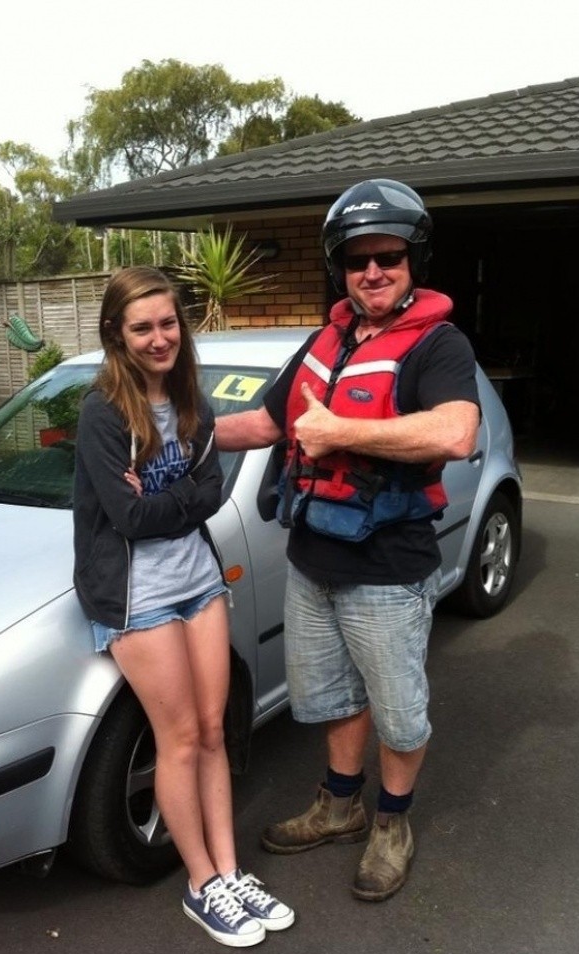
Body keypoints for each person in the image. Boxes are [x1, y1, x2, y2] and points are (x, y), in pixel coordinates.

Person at [214, 179, 480, 902]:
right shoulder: (325, 339)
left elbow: (457, 430)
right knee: (331, 697)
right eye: (358, 260)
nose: (373, 271)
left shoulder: (438, 343)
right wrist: (183, 432)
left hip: (388, 568)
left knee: (399, 708)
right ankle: (340, 803)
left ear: (411, 259)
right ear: (341, 267)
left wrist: (341, 432)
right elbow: (268, 423)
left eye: (388, 256)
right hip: (313, 560)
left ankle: (391, 821)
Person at [73, 266, 294, 946]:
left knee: (211, 730)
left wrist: (163, 500)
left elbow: (210, 496)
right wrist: (170, 501)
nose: (159, 336)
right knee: (176, 739)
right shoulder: (103, 414)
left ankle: (229, 871)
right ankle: (200, 883)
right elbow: (130, 519)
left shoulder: (191, 401)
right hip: (136, 597)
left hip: (199, 579)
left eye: (168, 322)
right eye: (142, 326)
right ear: (118, 332)